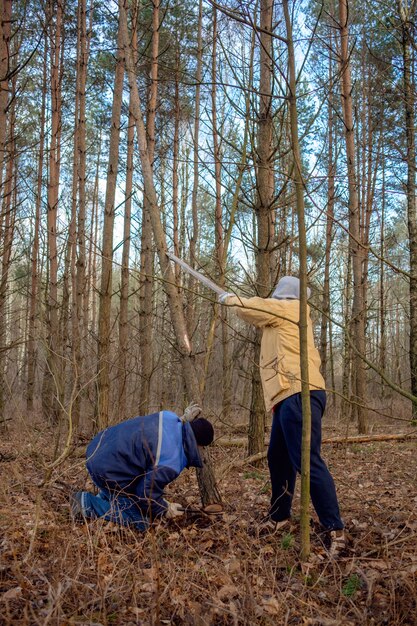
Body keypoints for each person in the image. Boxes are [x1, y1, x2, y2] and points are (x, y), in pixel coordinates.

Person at [219, 276, 345, 556]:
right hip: (287, 395)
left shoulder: (291, 309)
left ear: (284, 296)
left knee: (305, 460)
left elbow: (258, 308)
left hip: (300, 392)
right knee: (278, 457)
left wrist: (230, 300)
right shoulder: (285, 316)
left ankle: (335, 528)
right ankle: (279, 517)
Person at [71, 405, 214, 531]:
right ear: (198, 444)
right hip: (108, 469)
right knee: (141, 522)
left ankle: (107, 496)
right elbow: (145, 494)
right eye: (202, 448)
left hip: (98, 448)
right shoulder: (172, 461)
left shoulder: (169, 417)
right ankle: (87, 503)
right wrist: (164, 509)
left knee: (133, 491)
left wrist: (182, 420)